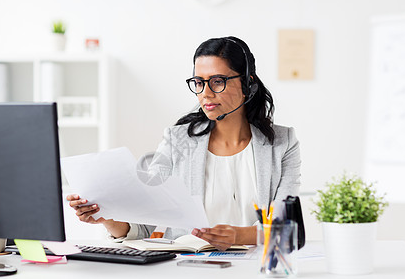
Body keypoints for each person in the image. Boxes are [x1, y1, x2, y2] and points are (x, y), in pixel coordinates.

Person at [67, 36, 301, 251]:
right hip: (190, 267)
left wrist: (239, 236)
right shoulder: (177, 141)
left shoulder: (282, 144)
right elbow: (145, 226)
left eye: (217, 81)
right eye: (199, 82)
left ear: (247, 84)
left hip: (259, 268)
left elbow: (286, 226)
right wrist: (107, 218)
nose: (205, 94)